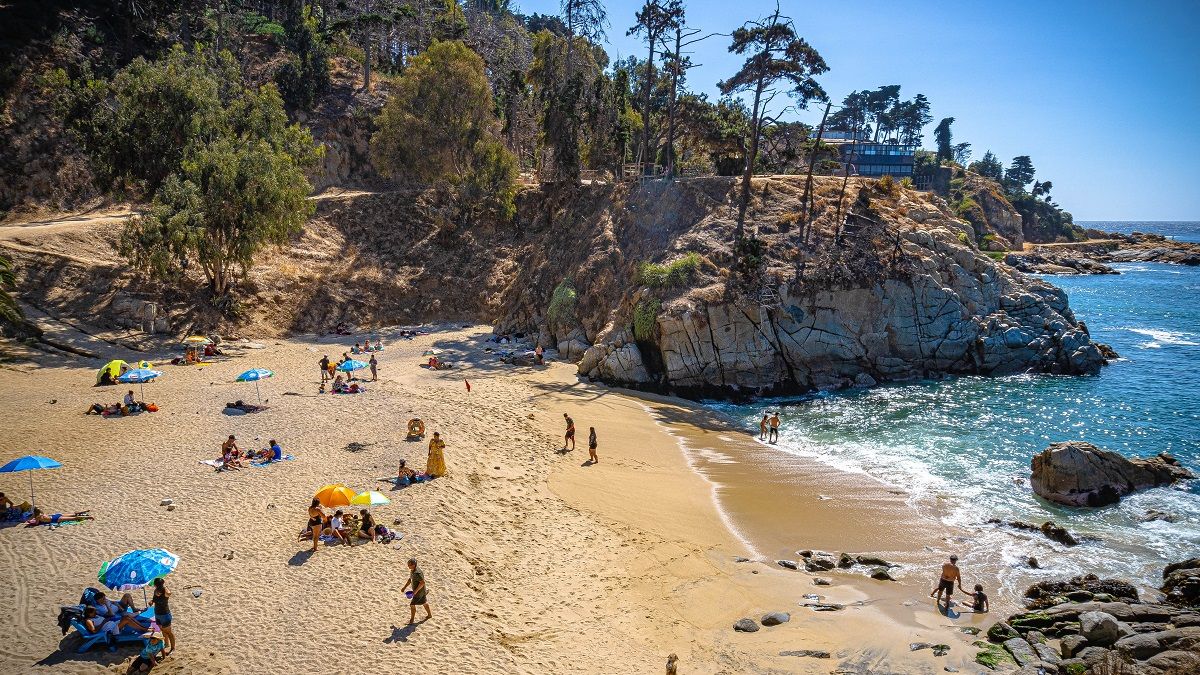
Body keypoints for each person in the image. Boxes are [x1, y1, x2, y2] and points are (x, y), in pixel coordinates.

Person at [402, 558, 432, 624]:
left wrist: (415, 592)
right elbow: (410, 579)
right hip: (422, 591)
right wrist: (404, 587)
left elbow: (422, 583)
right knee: (424, 602)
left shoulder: (417, 573)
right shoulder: (412, 570)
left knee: (412, 605)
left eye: (409, 565)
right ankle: (429, 615)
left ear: (414, 565)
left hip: (419, 592)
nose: (408, 566)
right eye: (408, 564)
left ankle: (411, 620)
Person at [151, 577, 174, 655]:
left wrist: (165, 588)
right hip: (157, 614)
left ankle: (172, 648)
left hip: (165, 614)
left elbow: (169, 593)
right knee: (163, 630)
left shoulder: (165, 591)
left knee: (169, 632)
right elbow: (154, 599)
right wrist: (151, 601)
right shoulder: (155, 591)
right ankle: (166, 644)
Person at [27, 508, 93, 525]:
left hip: (56, 519)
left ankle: (89, 517)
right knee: (74, 514)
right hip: (56, 515)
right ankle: (85, 510)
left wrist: (31, 522)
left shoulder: (37, 517)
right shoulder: (42, 513)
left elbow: (36, 523)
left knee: (74, 518)